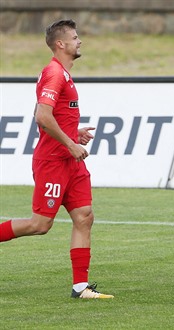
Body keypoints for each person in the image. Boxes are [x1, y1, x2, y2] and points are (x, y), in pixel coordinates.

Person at [0, 19, 114, 298]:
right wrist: (71, 144)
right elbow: (42, 116)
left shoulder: (63, 74)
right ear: (60, 44)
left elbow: (52, 117)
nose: (80, 42)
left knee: (84, 216)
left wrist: (74, 132)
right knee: (40, 225)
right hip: (53, 161)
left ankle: (80, 287)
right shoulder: (53, 73)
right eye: (75, 38)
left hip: (70, 162)